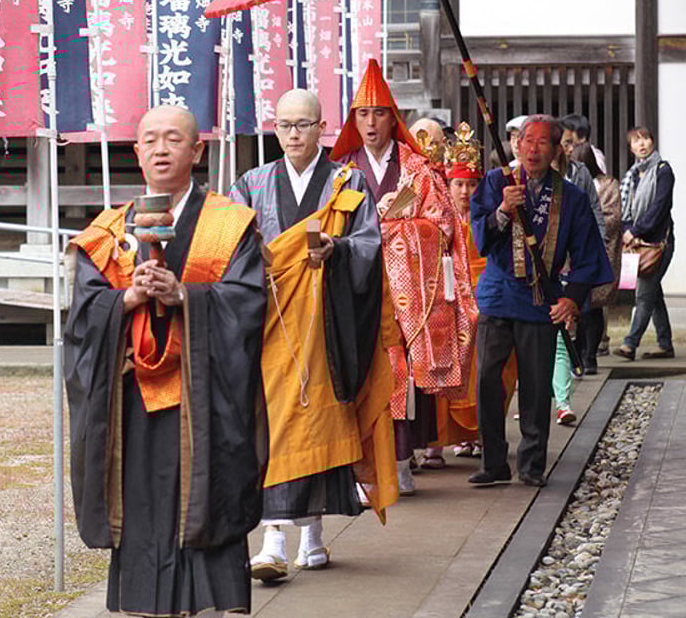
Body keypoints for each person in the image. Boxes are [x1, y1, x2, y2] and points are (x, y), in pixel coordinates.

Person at [63, 106, 268, 617]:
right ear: (135, 153)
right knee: (140, 507)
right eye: (149, 140)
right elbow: (82, 319)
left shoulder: (228, 224)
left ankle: (213, 603)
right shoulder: (109, 232)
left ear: (196, 151)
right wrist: (125, 300)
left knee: (205, 499)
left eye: (173, 139)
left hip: (203, 399)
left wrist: (186, 297)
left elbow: (247, 304)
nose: (160, 149)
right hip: (132, 402)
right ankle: (145, 604)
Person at [230, 88, 397, 580]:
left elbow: (369, 245)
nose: (293, 134)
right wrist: (255, 260)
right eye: (284, 125)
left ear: (322, 127)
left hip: (327, 324)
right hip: (273, 324)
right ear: (274, 128)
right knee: (274, 427)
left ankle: (313, 532)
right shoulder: (252, 183)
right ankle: (274, 537)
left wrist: (336, 249)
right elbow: (233, 247)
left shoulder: (348, 182)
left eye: (303, 124)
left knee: (322, 423)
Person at [332, 61, 476, 487]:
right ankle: (363, 465)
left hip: (407, 290)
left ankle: (398, 460)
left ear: (393, 117)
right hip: (357, 284)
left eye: (379, 113)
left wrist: (397, 232)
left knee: (402, 367)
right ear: (351, 120)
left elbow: (444, 224)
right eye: (362, 113)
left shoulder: (416, 167)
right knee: (358, 367)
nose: (371, 122)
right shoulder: (341, 169)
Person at [469, 115, 613, 488]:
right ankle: (494, 461)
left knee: (535, 385)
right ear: (516, 145)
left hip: (539, 299)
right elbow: (480, 235)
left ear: (556, 150)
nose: (533, 149)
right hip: (498, 294)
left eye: (542, 143)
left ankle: (532, 464)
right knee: (486, 378)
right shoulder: (496, 182)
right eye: (526, 141)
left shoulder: (573, 198)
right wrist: (502, 210)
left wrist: (572, 299)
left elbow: (588, 255)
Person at [435, 123, 517, 459]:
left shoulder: (490, 215)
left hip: (488, 298)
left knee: (493, 367)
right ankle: (447, 437)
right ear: (447, 184)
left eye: (471, 184)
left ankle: (484, 432)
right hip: (450, 300)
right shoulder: (438, 218)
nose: (465, 191)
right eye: (458, 183)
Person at [551, 122, 606, 420]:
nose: (570, 148)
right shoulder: (531, 174)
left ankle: (563, 400)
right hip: (541, 266)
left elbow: (594, 210)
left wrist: (596, 250)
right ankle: (544, 396)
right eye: (565, 143)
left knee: (563, 331)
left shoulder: (579, 173)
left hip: (572, 261)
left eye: (572, 143)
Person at [613, 126, 676, 361]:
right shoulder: (632, 175)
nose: (642, 144)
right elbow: (624, 209)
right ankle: (665, 344)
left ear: (652, 141)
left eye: (646, 139)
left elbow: (659, 208)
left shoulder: (663, 170)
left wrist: (637, 231)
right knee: (653, 294)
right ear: (630, 148)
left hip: (658, 244)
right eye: (636, 141)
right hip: (637, 243)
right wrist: (629, 232)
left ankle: (630, 344)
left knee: (644, 294)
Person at [571, 142, 621, 372]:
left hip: (600, 248)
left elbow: (612, 215)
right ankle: (581, 356)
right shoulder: (568, 181)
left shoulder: (608, 184)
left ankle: (590, 355)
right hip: (575, 250)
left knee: (593, 305)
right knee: (580, 305)